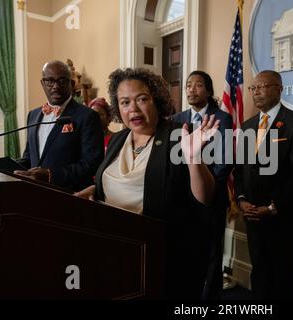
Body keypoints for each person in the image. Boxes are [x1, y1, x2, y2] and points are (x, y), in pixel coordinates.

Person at [75, 68, 219, 299]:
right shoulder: (118, 139)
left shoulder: (180, 135)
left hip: (160, 256)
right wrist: (95, 190)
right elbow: (117, 182)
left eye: (141, 99)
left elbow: (204, 198)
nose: (133, 108)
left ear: (157, 100)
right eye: (124, 102)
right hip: (115, 250)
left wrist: (193, 159)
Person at [233, 70, 293, 299]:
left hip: (284, 214)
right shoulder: (248, 126)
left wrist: (273, 206)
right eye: (253, 88)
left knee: (284, 276)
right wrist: (241, 199)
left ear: (278, 89)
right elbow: (240, 169)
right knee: (260, 272)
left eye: (262, 87)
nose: (256, 92)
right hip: (253, 215)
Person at [172, 71, 233, 300]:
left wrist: (207, 187)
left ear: (208, 90)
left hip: (213, 196)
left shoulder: (222, 118)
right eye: (188, 85)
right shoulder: (177, 119)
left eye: (198, 85)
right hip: (183, 198)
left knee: (213, 252)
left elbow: (224, 161)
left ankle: (210, 299)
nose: (191, 89)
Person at [15, 60, 103, 192]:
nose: (55, 86)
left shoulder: (87, 116)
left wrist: (51, 175)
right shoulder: (33, 115)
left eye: (62, 80)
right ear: (43, 83)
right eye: (49, 81)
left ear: (71, 84)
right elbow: (29, 157)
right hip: (34, 194)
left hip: (70, 196)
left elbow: (92, 163)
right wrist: (9, 167)